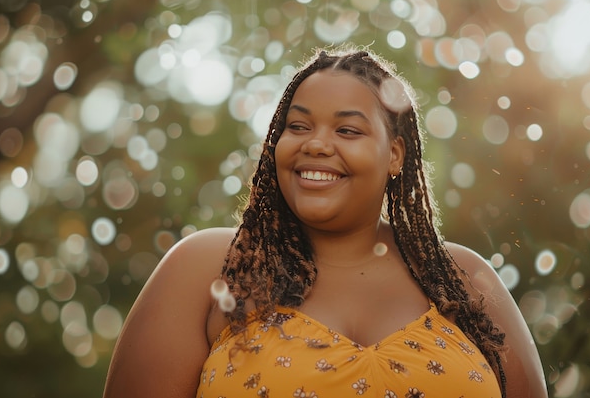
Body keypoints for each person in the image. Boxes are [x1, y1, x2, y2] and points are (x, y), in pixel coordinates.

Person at [102, 46, 547, 398]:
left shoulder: (463, 280)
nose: (316, 144)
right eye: (297, 127)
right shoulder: (206, 267)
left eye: (347, 131)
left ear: (395, 154)